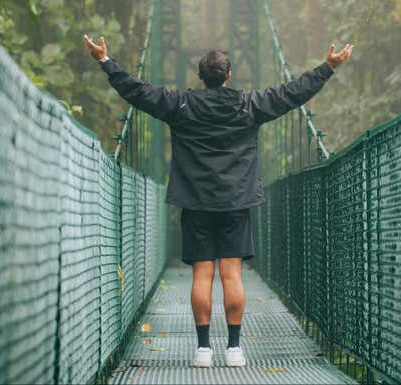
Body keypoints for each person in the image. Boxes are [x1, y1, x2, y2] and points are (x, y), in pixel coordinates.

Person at [84, 34, 353, 368]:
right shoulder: (248, 105)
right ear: (228, 76)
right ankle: (235, 349)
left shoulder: (180, 105)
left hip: (195, 203)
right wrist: (328, 67)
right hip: (235, 203)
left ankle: (202, 350)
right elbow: (291, 94)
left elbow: (137, 92)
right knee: (232, 276)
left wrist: (105, 61)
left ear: (200, 77)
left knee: (201, 276)